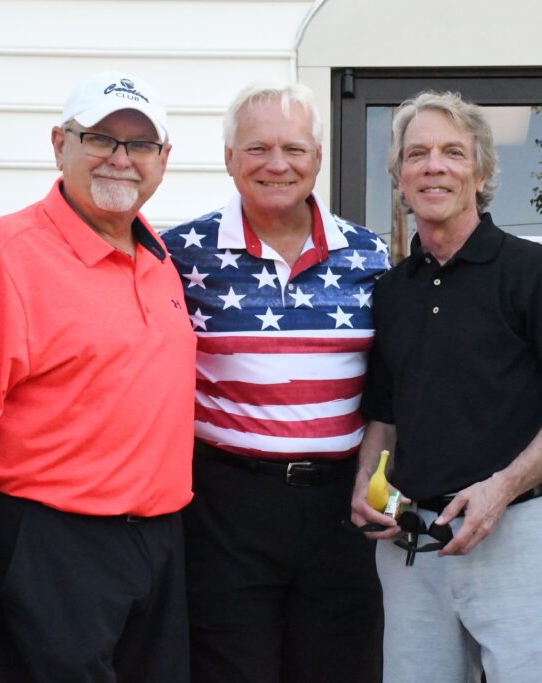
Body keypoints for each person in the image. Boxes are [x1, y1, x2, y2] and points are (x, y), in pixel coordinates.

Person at [0, 72, 195, 681]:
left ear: (163, 161)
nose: (121, 158)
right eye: (100, 138)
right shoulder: (4, 256)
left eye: (139, 145)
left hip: (160, 544)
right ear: (59, 144)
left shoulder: (159, 258)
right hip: (53, 549)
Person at [351, 90, 542, 683]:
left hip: (517, 532)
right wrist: (369, 488)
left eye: (452, 152)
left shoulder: (534, 271)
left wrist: (501, 487)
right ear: (398, 176)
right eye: (416, 154)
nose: (433, 166)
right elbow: (387, 416)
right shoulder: (393, 291)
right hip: (412, 545)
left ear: (483, 170)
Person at [161, 82, 387, 683]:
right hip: (225, 500)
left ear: (318, 158)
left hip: (341, 504)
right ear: (229, 159)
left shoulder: (370, 255)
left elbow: (394, 382)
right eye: (257, 148)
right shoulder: (177, 255)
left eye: (294, 148)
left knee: (340, 665)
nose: (277, 164)